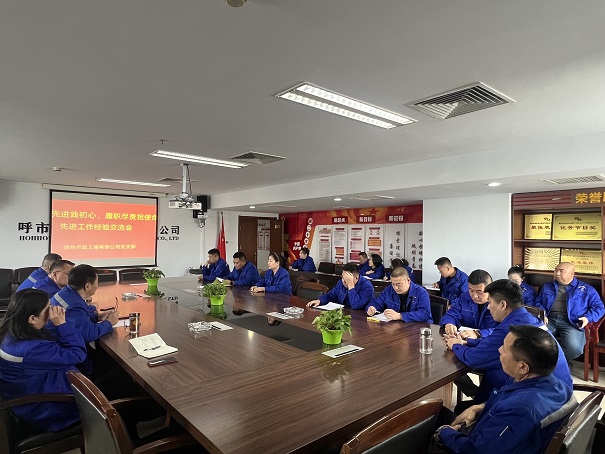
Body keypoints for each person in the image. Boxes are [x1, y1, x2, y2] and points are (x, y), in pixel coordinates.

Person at [435, 325, 577, 454]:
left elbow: (475, 450)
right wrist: (481, 407)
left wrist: (445, 432)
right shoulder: (558, 386)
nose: (499, 350)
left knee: (431, 419)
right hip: (508, 438)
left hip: (483, 445)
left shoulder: (520, 410)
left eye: (504, 348)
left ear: (523, 367)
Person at [444, 279, 572, 405]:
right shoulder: (525, 317)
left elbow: (474, 358)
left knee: (493, 372)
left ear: (503, 305)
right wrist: (467, 343)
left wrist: (455, 345)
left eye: (489, 302)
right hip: (559, 391)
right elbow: (493, 343)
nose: (488, 307)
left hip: (542, 398)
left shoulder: (512, 329)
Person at [0, 289, 87, 432]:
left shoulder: (10, 333)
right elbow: (78, 354)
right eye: (48, 309)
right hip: (46, 410)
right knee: (115, 385)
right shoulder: (31, 350)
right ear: (32, 319)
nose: (52, 312)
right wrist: (62, 324)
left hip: (28, 395)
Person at [51, 265, 119, 375]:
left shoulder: (66, 293)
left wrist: (97, 317)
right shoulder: (75, 304)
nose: (97, 286)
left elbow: (74, 319)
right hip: (68, 353)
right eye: (97, 282)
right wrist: (109, 323)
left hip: (59, 343)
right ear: (87, 286)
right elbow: (89, 334)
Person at [533, 261, 605, 362]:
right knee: (535, 338)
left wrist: (587, 318)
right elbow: (538, 302)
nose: (557, 273)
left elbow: (599, 308)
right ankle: (556, 363)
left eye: (561, 271)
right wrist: (542, 314)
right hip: (549, 320)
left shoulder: (586, 289)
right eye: (556, 270)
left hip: (572, 322)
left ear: (572, 274)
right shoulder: (547, 286)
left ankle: (555, 362)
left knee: (575, 349)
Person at [441, 269, 498, 339]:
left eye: (479, 292)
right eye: (471, 291)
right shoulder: (464, 298)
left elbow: (504, 330)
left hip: (490, 343)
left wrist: (478, 333)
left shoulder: (499, 303)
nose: (475, 296)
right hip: (463, 341)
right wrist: (449, 323)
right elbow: (451, 314)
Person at [366, 267, 432, 322]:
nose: (395, 288)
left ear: (408, 281)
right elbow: (377, 302)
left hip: (419, 328)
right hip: (397, 326)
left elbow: (424, 314)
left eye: (398, 284)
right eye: (393, 284)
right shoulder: (389, 290)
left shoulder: (421, 292)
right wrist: (372, 307)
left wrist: (400, 316)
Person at [306, 262, 373, 310]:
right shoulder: (341, 282)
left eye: (347, 279)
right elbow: (331, 295)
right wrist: (319, 301)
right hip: (344, 313)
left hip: (360, 318)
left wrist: (350, 285)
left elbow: (356, 306)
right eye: (343, 277)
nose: (343, 281)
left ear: (356, 278)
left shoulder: (367, 287)